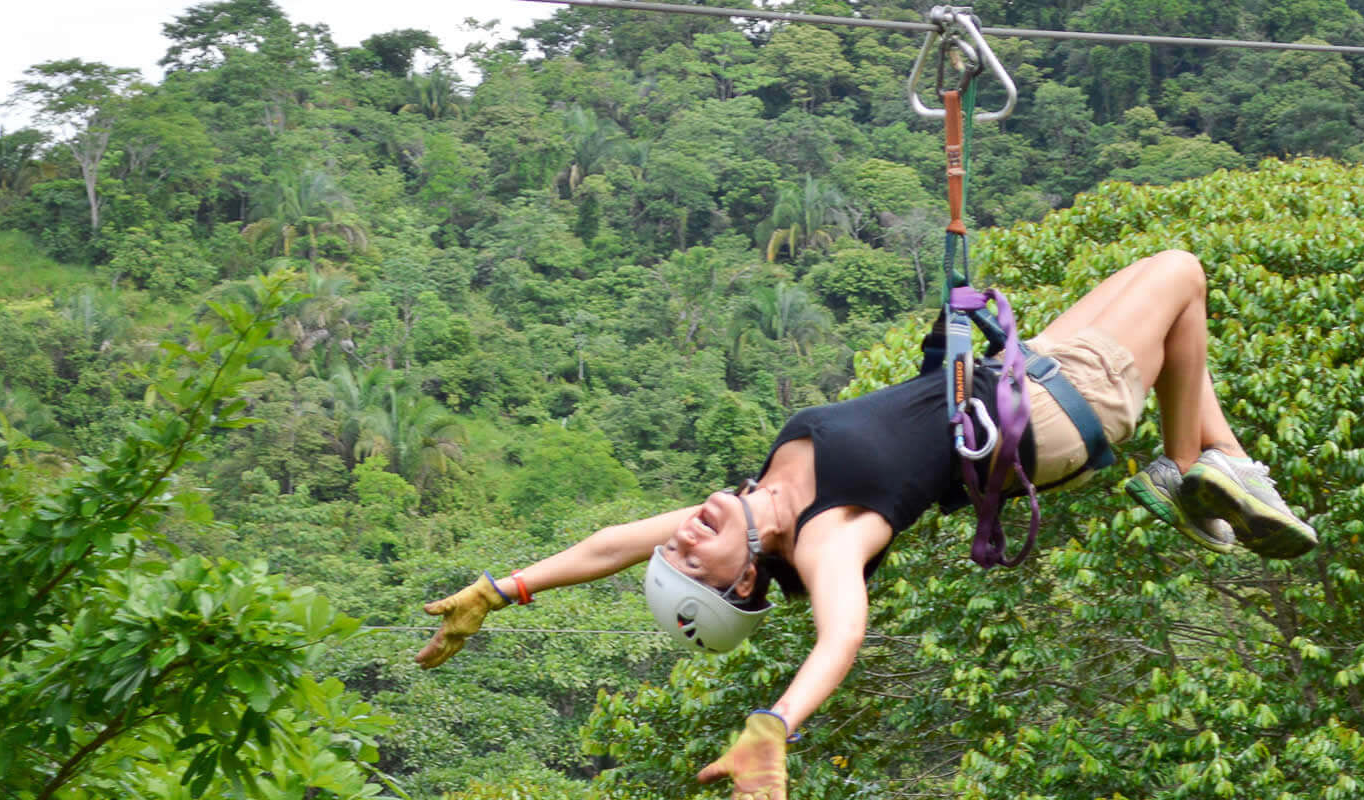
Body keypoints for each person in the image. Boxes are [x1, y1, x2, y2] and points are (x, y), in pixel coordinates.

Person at [413, 249, 1318, 799]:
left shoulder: (754, 499)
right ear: (740, 582)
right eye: (693, 558)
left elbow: (612, 544)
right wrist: (774, 727)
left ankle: (1213, 469)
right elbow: (841, 636)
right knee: (1180, 274)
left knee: (1165, 293)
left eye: (677, 541)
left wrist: (503, 589)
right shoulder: (824, 538)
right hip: (1045, 418)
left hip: (1015, 374)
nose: (681, 535)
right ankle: (1196, 468)